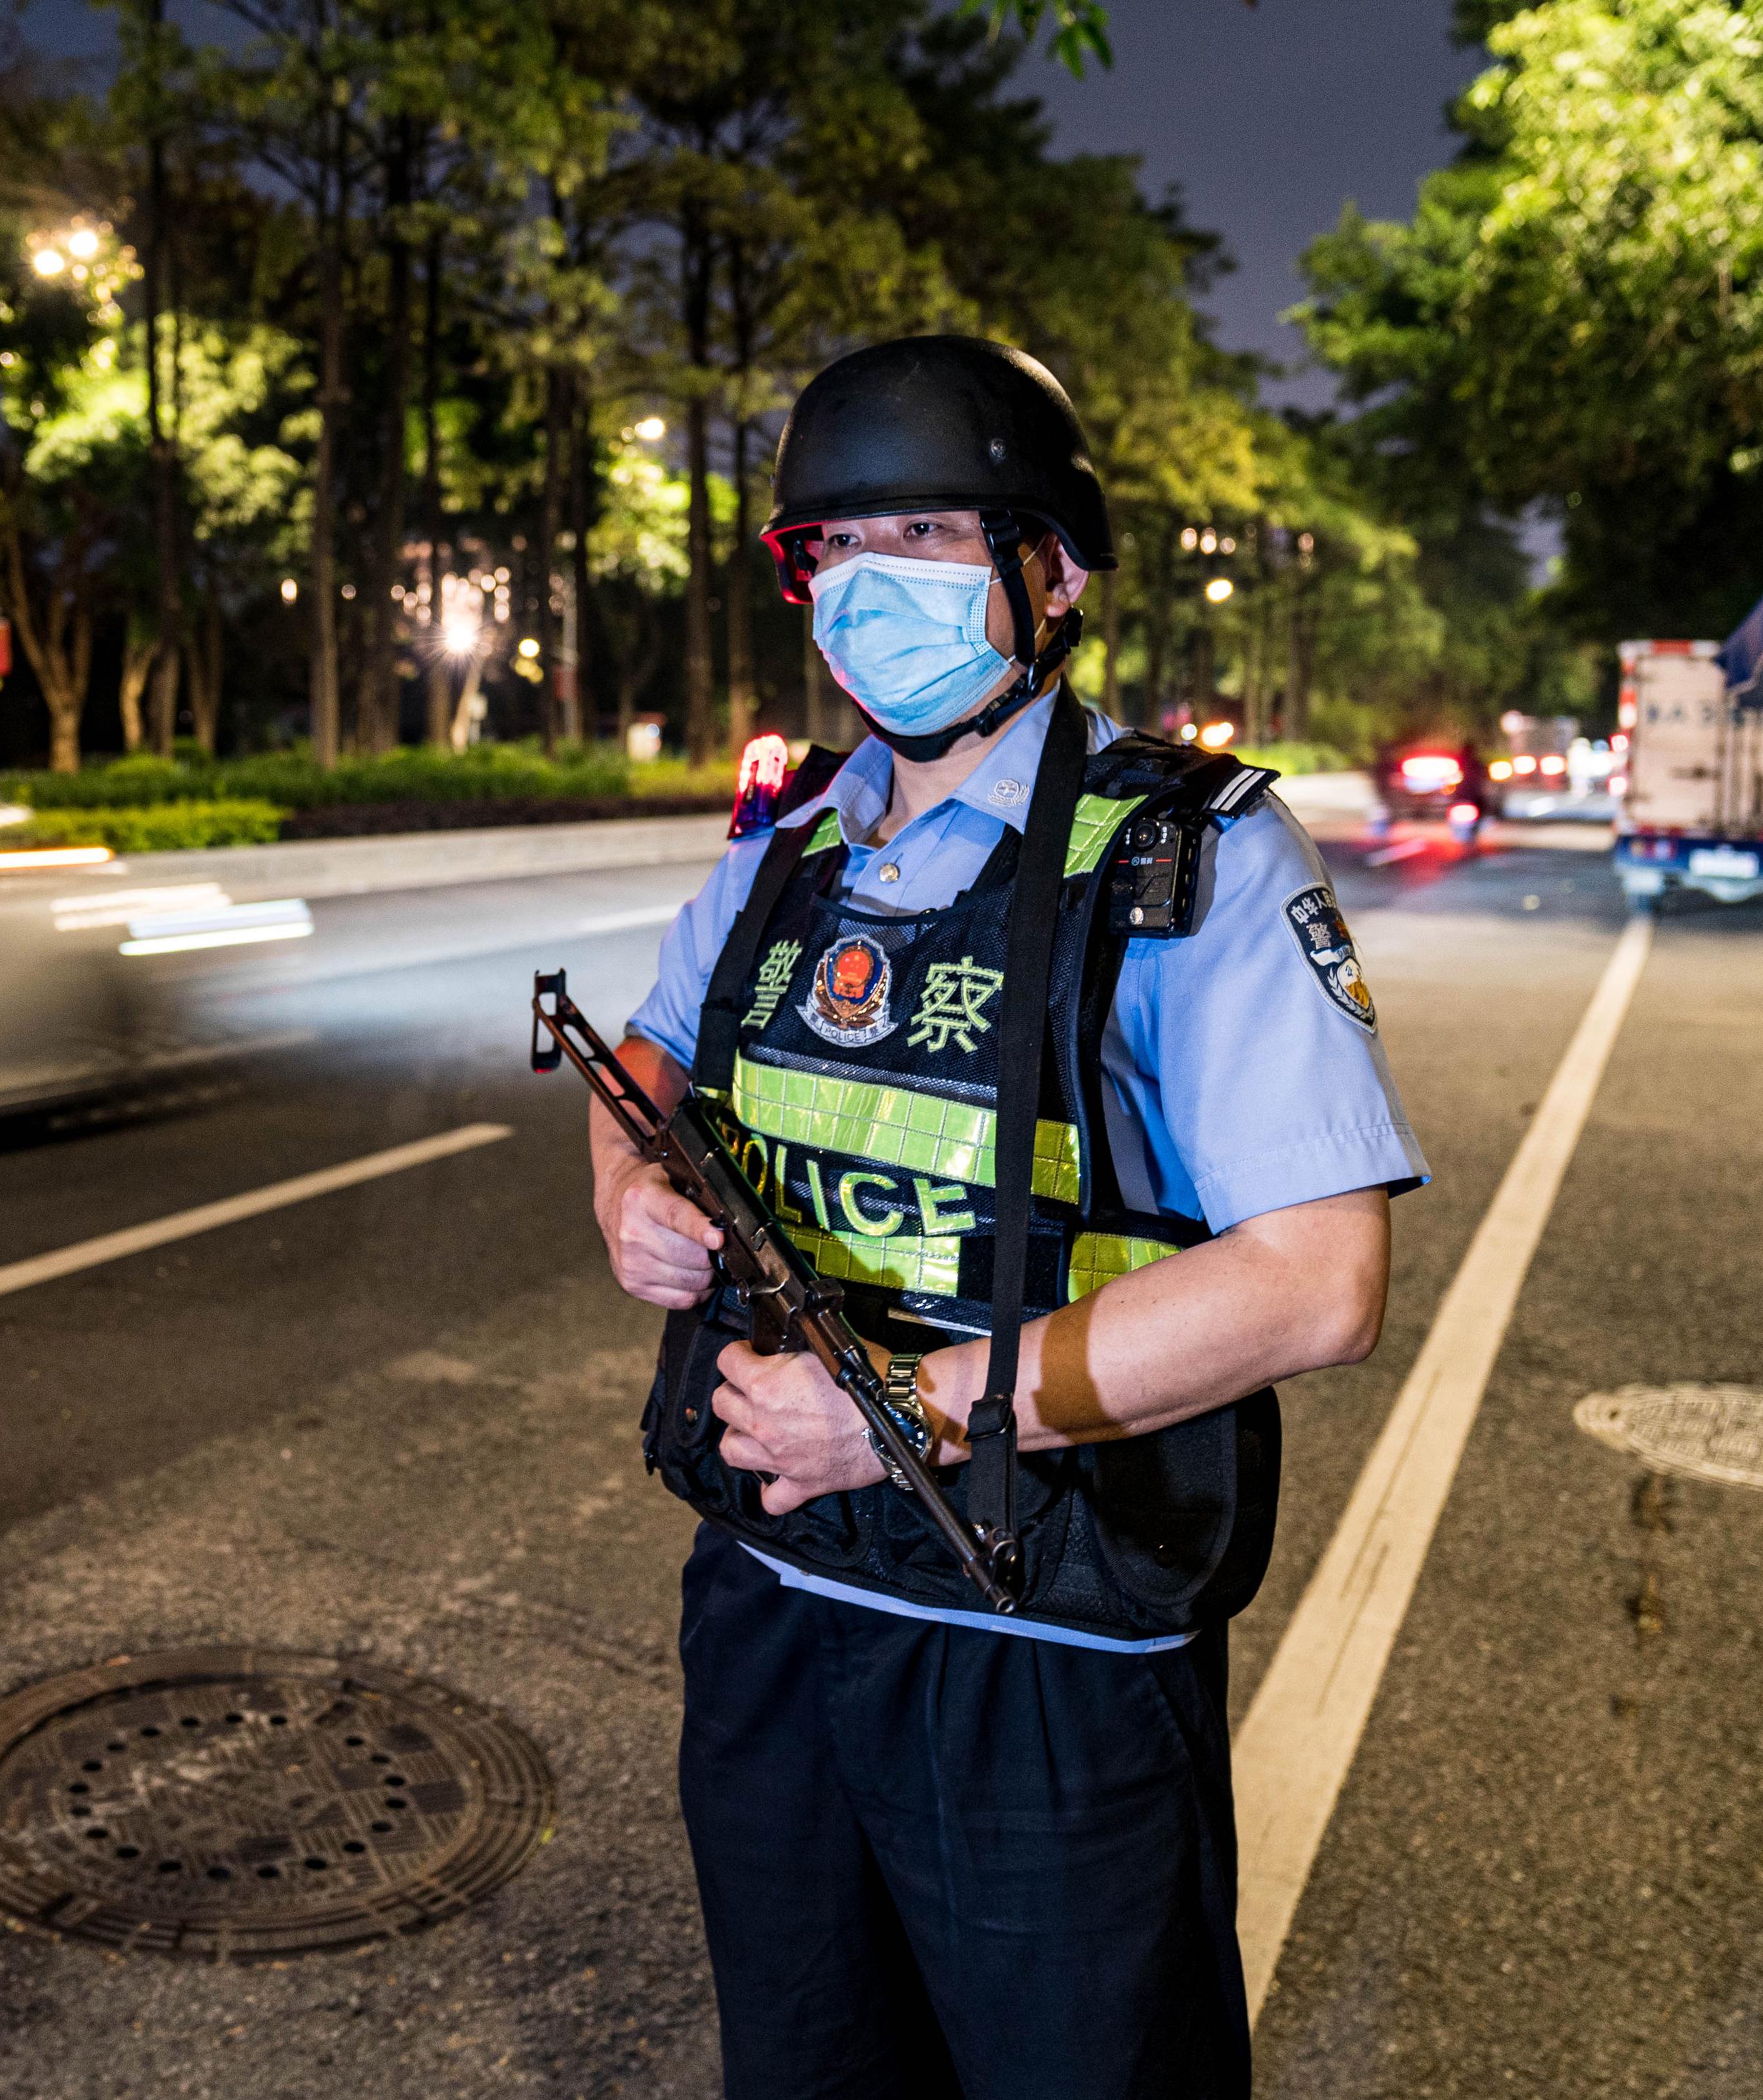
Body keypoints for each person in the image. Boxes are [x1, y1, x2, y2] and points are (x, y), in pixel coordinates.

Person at [586, 336, 1429, 2099]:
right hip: (771, 1604)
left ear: (1052, 574)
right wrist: (626, 1186)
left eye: (920, 534)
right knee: (805, 2064)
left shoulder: (1189, 859)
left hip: (1044, 1638)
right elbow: (647, 1057)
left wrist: (900, 1414)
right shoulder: (786, 845)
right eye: (833, 545)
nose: (864, 582)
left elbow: (1319, 1282)